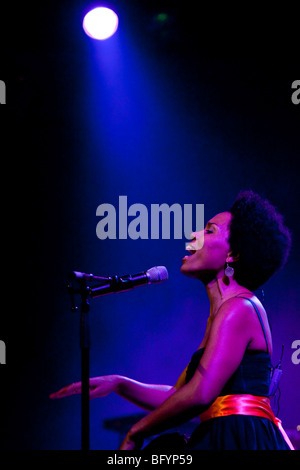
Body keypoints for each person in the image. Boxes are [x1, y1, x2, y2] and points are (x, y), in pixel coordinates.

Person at [50, 190, 294, 450]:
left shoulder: (239, 308)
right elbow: (178, 395)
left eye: (209, 231)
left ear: (232, 253)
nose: (194, 235)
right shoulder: (225, 311)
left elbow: (200, 394)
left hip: (239, 439)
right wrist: (119, 384)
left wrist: (136, 432)